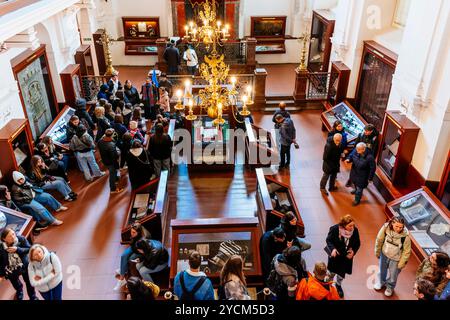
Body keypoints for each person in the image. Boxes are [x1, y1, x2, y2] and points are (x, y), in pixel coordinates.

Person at [374, 216, 411, 297]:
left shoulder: (406, 236)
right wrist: (377, 251)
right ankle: (381, 282)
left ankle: (390, 287)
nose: (398, 229)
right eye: (396, 226)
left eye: (401, 227)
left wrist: (401, 264)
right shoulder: (385, 228)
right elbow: (379, 240)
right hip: (384, 254)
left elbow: (406, 251)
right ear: (392, 224)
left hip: (396, 258)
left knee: (393, 275)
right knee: (381, 270)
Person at [325, 215, 360, 298]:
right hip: (335, 256)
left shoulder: (355, 231)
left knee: (341, 274)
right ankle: (328, 285)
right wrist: (333, 249)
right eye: (350, 226)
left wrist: (353, 252)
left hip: (346, 258)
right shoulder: (335, 229)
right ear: (344, 225)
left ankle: (338, 285)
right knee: (331, 273)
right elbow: (328, 240)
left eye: (353, 225)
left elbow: (357, 243)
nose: (352, 228)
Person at [0, 228, 37, 300]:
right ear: (4, 239)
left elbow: (30, 249)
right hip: (10, 269)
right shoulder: (1, 247)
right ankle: (19, 290)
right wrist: (1, 274)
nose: (13, 237)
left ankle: (33, 296)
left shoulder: (21, 239)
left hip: (24, 265)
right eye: (10, 236)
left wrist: (18, 249)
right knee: (15, 283)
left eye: (13, 234)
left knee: (29, 282)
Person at [114, 223, 149, 291]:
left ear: (138, 233)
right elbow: (133, 244)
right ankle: (122, 274)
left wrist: (139, 256)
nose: (131, 233)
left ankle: (122, 276)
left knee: (130, 259)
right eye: (131, 231)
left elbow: (144, 252)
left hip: (139, 251)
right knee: (124, 255)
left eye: (133, 232)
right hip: (134, 247)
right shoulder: (135, 236)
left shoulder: (142, 240)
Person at [97, 128, 123, 194]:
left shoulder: (100, 141)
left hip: (105, 160)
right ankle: (113, 189)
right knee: (112, 174)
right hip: (111, 162)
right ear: (112, 135)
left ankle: (116, 179)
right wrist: (118, 153)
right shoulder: (111, 144)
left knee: (113, 172)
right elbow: (114, 156)